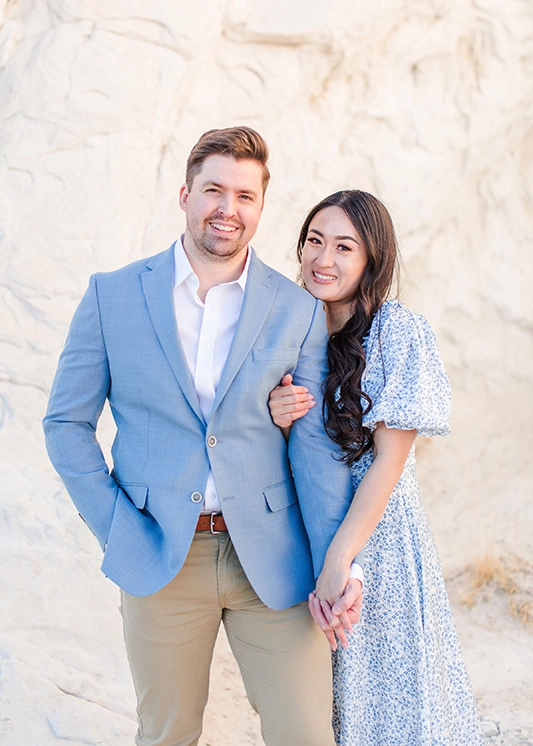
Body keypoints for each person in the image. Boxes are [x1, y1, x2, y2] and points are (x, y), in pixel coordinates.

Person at [42, 127, 364, 746]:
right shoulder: (113, 296)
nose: (228, 209)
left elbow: (315, 447)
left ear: (261, 208)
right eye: (214, 190)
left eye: (245, 196)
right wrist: (116, 525)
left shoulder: (297, 308)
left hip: (274, 556)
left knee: (306, 735)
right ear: (185, 194)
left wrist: (336, 561)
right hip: (159, 549)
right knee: (167, 734)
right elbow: (66, 424)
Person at [268, 189, 484, 746]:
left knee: (396, 704)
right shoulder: (288, 332)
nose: (324, 259)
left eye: (345, 247)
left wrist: (343, 557)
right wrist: (276, 411)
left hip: (379, 538)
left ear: (371, 261)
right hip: (311, 531)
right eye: (315, 241)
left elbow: (391, 460)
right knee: (328, 708)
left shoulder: (397, 332)